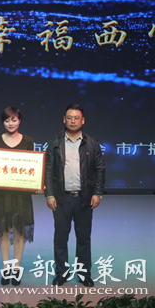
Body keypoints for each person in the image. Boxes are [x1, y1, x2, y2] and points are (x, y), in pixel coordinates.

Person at [45, 104, 105, 288]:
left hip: (84, 198)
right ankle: (61, 274)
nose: (73, 121)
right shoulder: (55, 143)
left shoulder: (92, 143)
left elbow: (99, 169)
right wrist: (49, 194)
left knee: (83, 239)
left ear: (82, 120)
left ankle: (84, 273)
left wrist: (98, 193)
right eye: (69, 117)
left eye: (76, 118)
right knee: (60, 239)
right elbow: (48, 170)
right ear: (64, 119)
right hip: (61, 198)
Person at [0, 107, 37, 286]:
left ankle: (16, 269)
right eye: (7, 120)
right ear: (3, 122)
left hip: (21, 195)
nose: (10, 123)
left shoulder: (28, 141)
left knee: (19, 229)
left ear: (19, 120)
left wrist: (37, 183)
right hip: (2, 194)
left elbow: (33, 167)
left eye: (14, 120)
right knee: (4, 229)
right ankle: (6, 268)